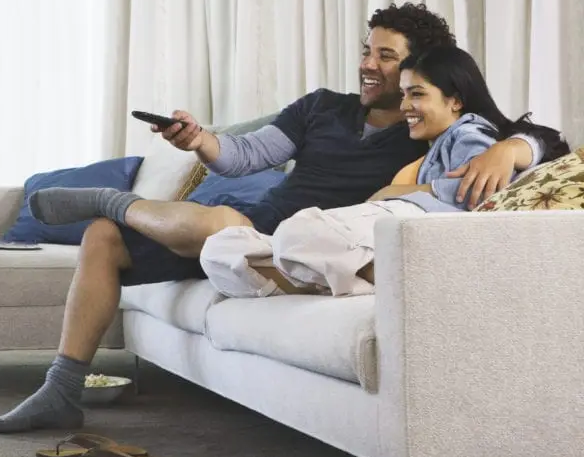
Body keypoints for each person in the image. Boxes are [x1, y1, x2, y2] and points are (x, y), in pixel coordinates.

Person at [0, 3, 551, 434]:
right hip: (250, 221)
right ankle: (61, 388)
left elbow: (535, 137)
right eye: (367, 51)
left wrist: (514, 147)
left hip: (296, 243)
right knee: (105, 236)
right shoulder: (321, 107)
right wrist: (199, 140)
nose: (368, 66)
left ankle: (117, 200)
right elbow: (244, 156)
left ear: (420, 72)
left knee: (219, 224)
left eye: (386, 57)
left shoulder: (423, 124)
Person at [199, 45, 570, 299]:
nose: (405, 105)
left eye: (418, 94)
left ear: (455, 99)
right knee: (221, 248)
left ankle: (356, 277)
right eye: (405, 93)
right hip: (379, 224)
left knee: (300, 233)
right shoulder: (423, 143)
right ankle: (334, 280)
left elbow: (469, 196)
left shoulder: (469, 130)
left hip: (407, 223)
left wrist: (392, 194)